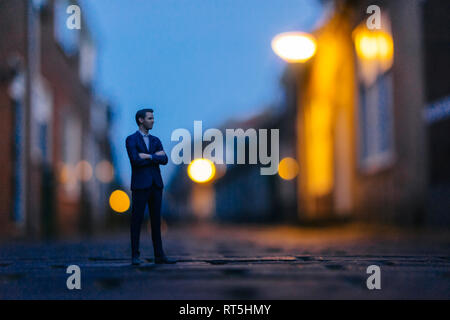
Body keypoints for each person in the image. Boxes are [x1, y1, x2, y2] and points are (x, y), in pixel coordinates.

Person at [125, 108, 176, 265]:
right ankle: (135, 255)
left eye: (153, 118)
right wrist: (155, 157)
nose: (153, 120)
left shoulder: (156, 140)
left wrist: (147, 155)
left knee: (156, 221)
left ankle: (159, 255)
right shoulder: (131, 139)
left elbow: (165, 159)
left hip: (156, 185)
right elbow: (135, 160)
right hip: (140, 185)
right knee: (137, 220)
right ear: (141, 120)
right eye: (150, 118)